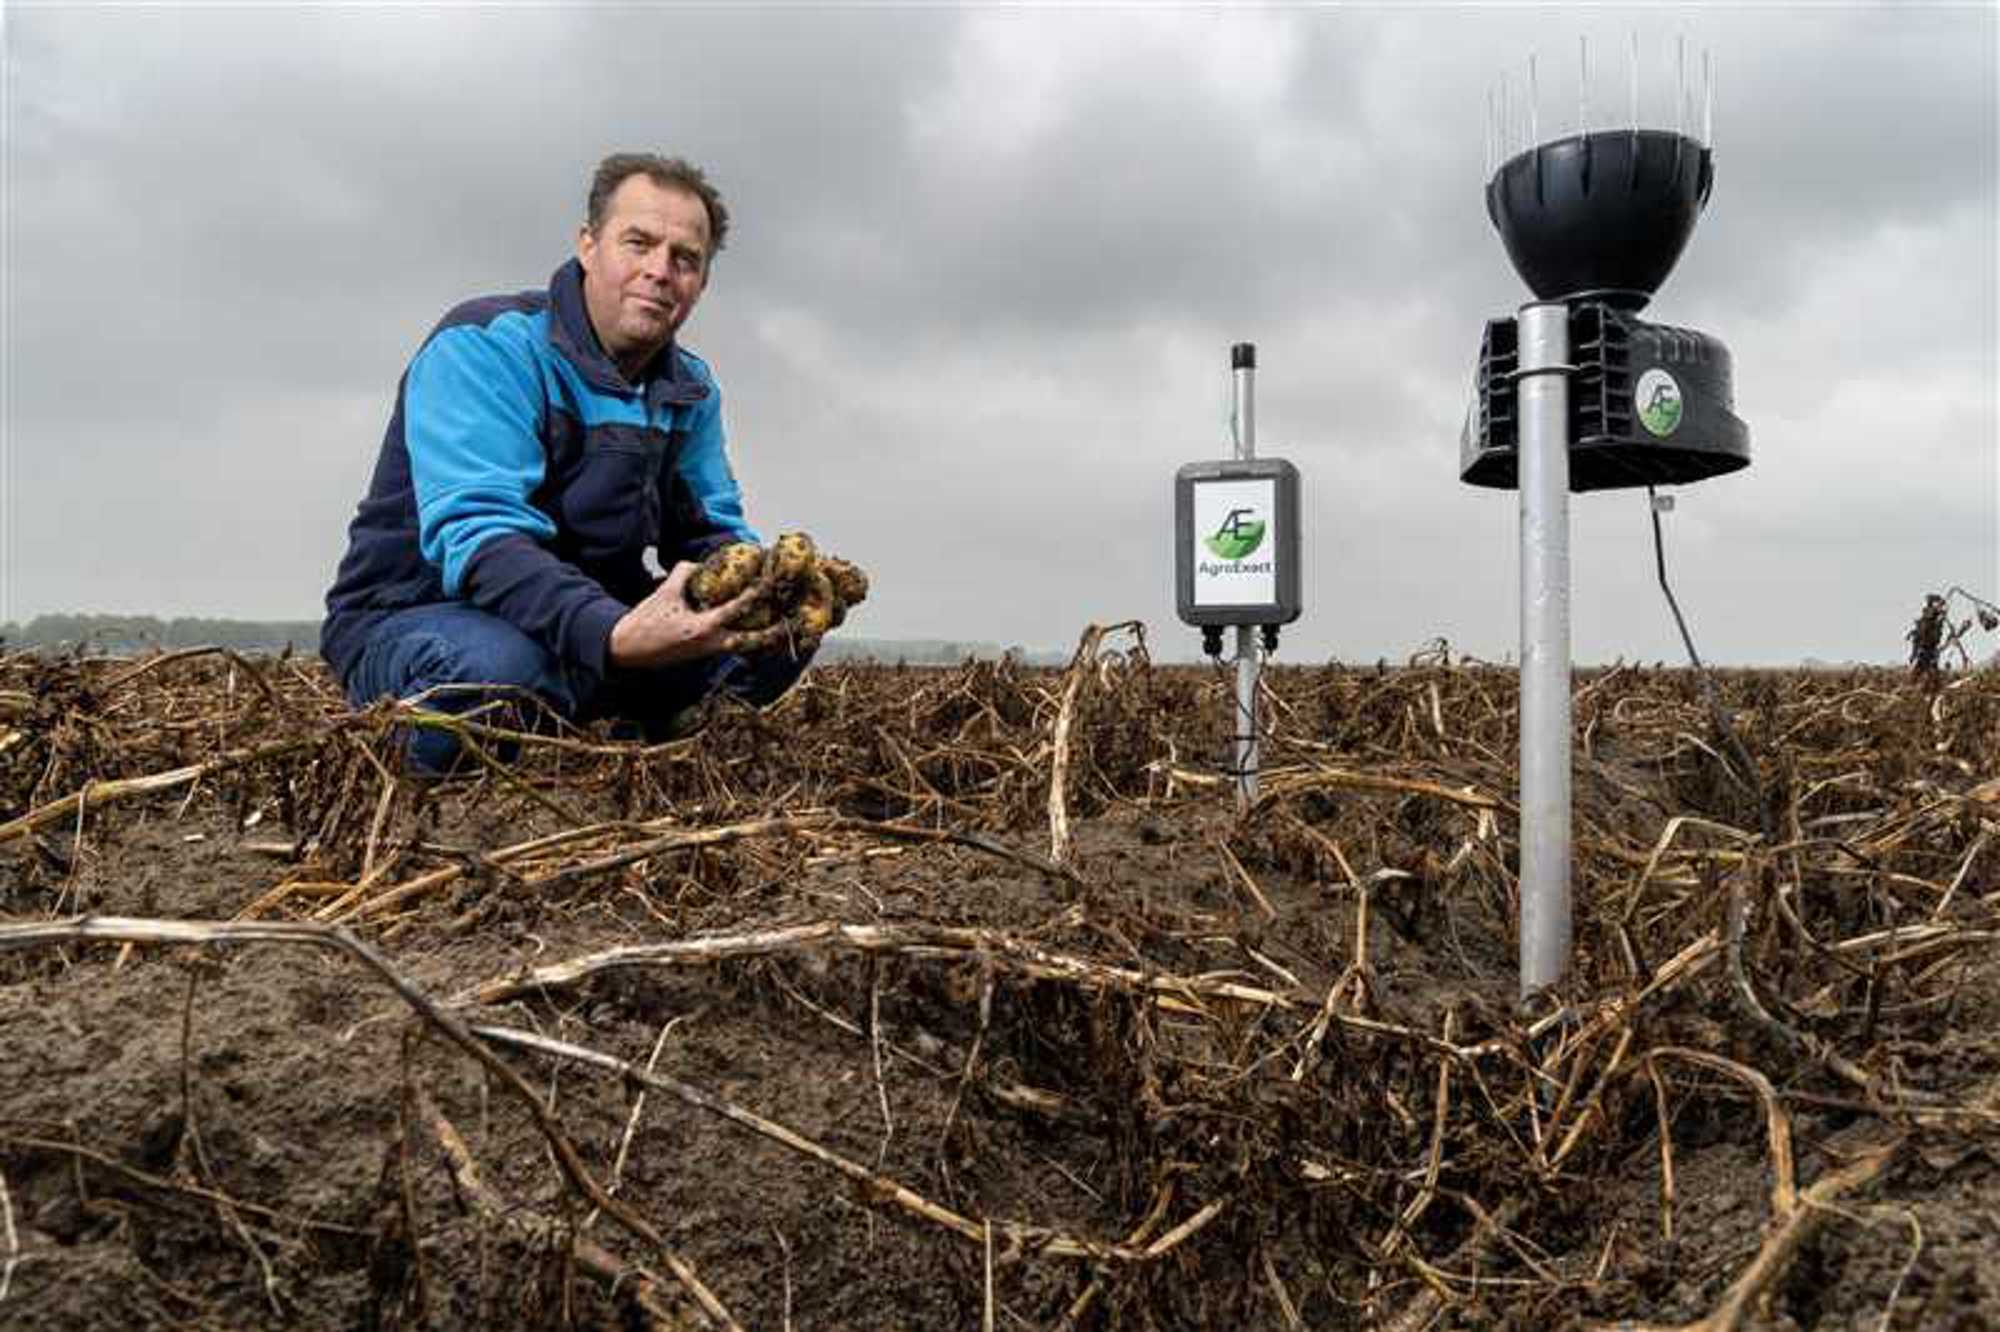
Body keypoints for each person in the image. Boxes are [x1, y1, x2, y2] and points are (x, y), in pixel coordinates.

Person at [321, 153, 802, 771]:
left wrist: (768, 584)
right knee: (495, 673)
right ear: (588, 245)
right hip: (424, 614)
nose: (660, 271)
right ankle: (539, 722)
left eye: (685, 259)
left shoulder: (690, 391)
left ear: (702, 282)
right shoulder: (486, 347)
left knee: (776, 630)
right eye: (639, 243)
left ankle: (615, 737)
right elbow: (481, 539)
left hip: (590, 628)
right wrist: (612, 635)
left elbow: (712, 533)